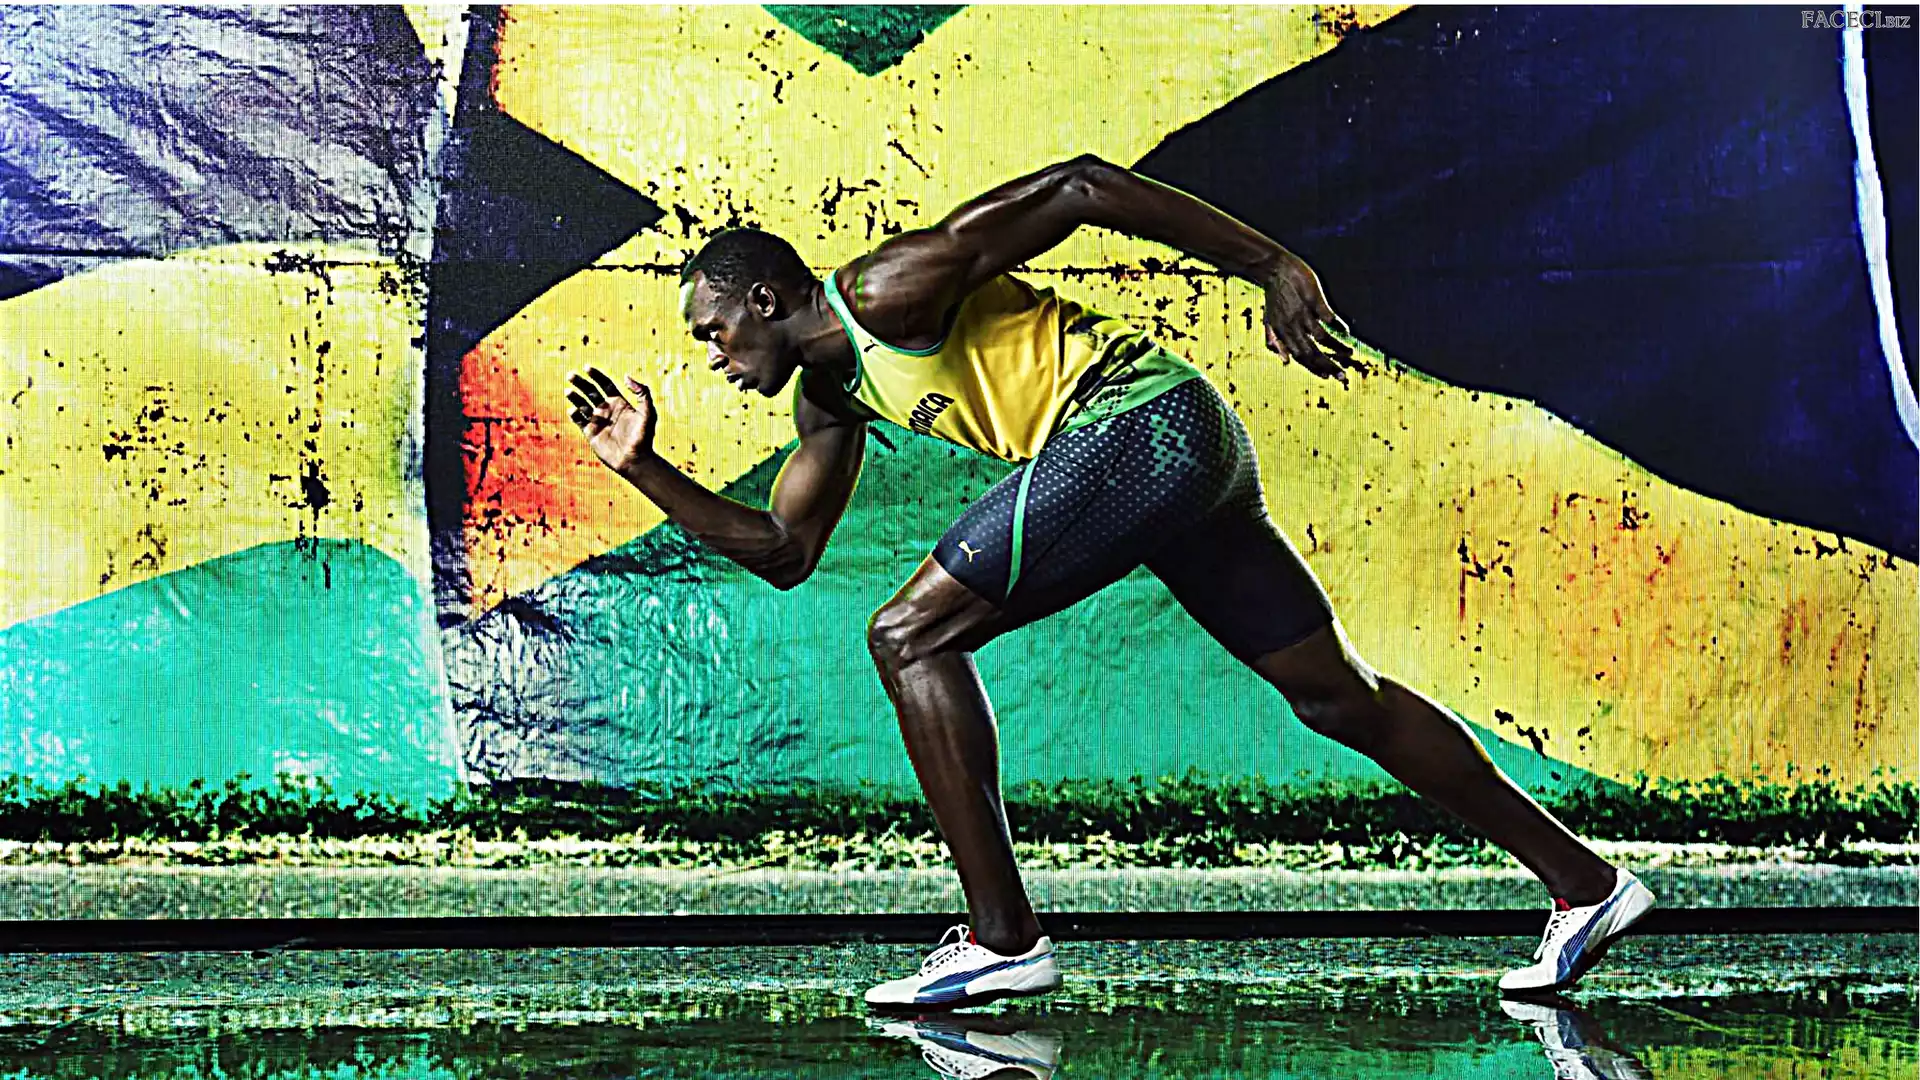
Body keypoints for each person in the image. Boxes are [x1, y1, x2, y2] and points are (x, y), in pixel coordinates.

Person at [564, 153, 1655, 1011]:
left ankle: (1002, 941)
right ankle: (1588, 887)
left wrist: (1271, 266)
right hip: (1178, 449)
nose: (713, 357)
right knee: (1335, 697)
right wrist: (644, 467)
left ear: (764, 298)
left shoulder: (884, 291)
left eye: (714, 332)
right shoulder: (831, 399)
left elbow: (1081, 186)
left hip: (1135, 423)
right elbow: (783, 552)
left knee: (909, 636)